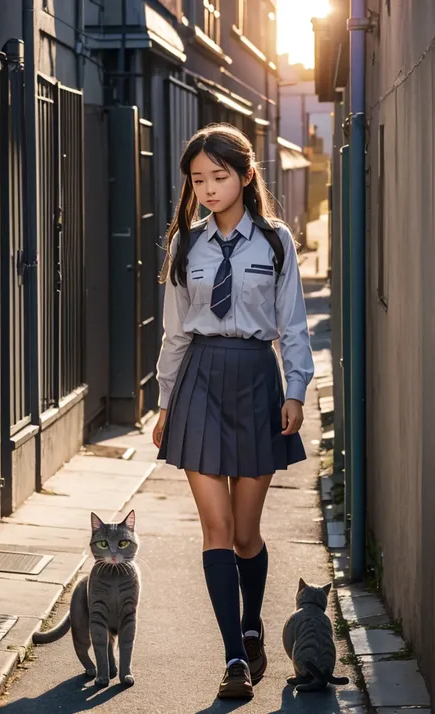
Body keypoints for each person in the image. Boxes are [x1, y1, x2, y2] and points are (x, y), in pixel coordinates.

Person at [153, 123, 314, 700]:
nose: (208, 189)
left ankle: (252, 627)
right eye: (198, 180)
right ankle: (233, 659)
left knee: (247, 533)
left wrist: (294, 390)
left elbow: (292, 326)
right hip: (198, 380)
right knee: (216, 529)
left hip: (254, 381)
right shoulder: (184, 244)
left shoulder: (275, 242)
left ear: (245, 176)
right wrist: (165, 402)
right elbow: (174, 332)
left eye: (219, 177)